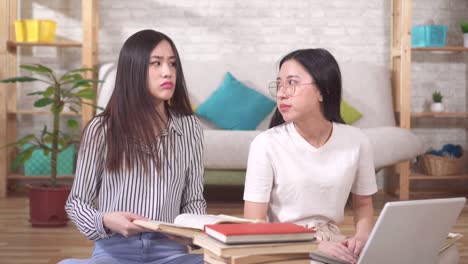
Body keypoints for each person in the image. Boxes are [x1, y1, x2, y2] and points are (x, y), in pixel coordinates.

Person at [60, 29, 206, 264]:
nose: (167, 72)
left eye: (172, 64)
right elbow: (77, 202)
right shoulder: (101, 129)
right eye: (155, 64)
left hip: (171, 253)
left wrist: (191, 235)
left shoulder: (190, 128)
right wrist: (106, 220)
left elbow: (193, 201)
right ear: (134, 70)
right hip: (114, 252)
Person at [243, 48, 377, 264]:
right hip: (282, 246)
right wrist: (311, 245)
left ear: (323, 91)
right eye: (279, 85)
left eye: (292, 83)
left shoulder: (357, 141)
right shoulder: (265, 144)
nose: (281, 93)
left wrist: (361, 238)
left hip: (334, 242)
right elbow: (254, 222)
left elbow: (363, 205)